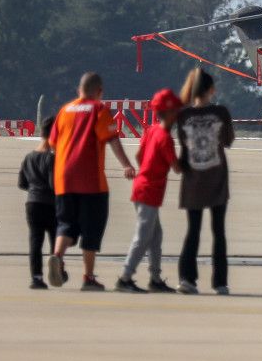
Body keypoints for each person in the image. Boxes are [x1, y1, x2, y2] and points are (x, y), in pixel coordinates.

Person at [48, 72, 137, 291]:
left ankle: (57, 256)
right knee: (91, 229)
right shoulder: (99, 110)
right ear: (99, 92)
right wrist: (126, 164)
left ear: (79, 90)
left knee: (66, 224)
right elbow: (112, 140)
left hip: (63, 180)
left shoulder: (64, 110)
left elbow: (53, 144)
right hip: (91, 182)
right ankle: (88, 278)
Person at [116, 89, 183, 294]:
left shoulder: (151, 130)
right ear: (170, 113)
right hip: (149, 192)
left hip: (143, 187)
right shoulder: (165, 137)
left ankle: (155, 278)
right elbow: (177, 167)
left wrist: (148, 169)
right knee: (143, 236)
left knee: (155, 236)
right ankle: (125, 277)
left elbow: (138, 156)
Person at [175, 68, 235, 295]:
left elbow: (182, 146)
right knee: (218, 232)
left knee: (193, 231)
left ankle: (187, 279)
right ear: (211, 90)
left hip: (192, 179)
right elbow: (228, 140)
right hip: (217, 178)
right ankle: (220, 283)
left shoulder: (183, 116)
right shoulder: (221, 113)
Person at [18, 116, 57, 289]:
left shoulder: (28, 157)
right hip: (50, 204)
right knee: (56, 240)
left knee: (35, 241)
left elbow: (22, 183)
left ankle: (36, 277)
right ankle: (58, 269)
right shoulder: (51, 159)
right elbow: (53, 184)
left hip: (32, 204)